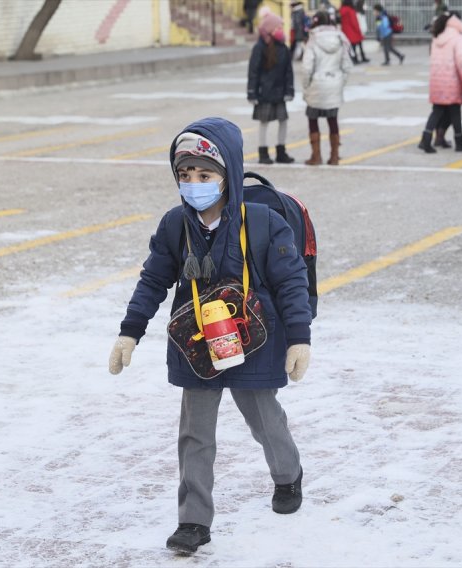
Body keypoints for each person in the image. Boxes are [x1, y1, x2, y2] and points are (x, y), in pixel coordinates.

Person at [108, 117, 312, 555]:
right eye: (185, 175)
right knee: (195, 434)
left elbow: (292, 280)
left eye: (205, 175)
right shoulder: (174, 226)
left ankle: (287, 473)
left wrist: (299, 337)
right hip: (196, 342)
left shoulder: (263, 222)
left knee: (264, 419)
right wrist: (130, 333)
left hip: (254, 337)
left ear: (229, 175)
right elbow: (152, 282)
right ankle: (194, 521)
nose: (194, 183)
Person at [301, 11, 353, 165]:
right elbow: (347, 66)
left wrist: (307, 86)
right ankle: (334, 156)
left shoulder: (312, 39)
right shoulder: (340, 38)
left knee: (313, 119)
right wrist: (339, 82)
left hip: (316, 85)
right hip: (334, 83)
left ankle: (316, 156)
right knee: (332, 120)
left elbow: (306, 68)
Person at [418, 13, 462, 153]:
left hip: (437, 80)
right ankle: (459, 142)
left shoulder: (436, 37)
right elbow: (461, 61)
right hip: (452, 80)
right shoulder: (459, 38)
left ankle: (426, 139)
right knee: (455, 112)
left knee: (437, 111)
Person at [247, 12, 295, 165]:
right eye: (278, 27)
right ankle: (263, 152)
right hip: (265, 93)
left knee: (283, 121)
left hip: (280, 92)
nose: (281, 29)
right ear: (270, 29)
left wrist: (289, 90)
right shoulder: (259, 47)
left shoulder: (283, 47)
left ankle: (281, 151)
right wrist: (252, 92)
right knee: (264, 122)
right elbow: (253, 71)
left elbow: (289, 71)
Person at [340, 0, 369, 64]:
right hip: (352, 31)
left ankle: (353, 59)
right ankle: (354, 60)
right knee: (353, 47)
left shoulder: (341, 10)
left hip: (345, 31)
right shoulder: (351, 11)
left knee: (350, 47)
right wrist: (358, 30)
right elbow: (354, 22)